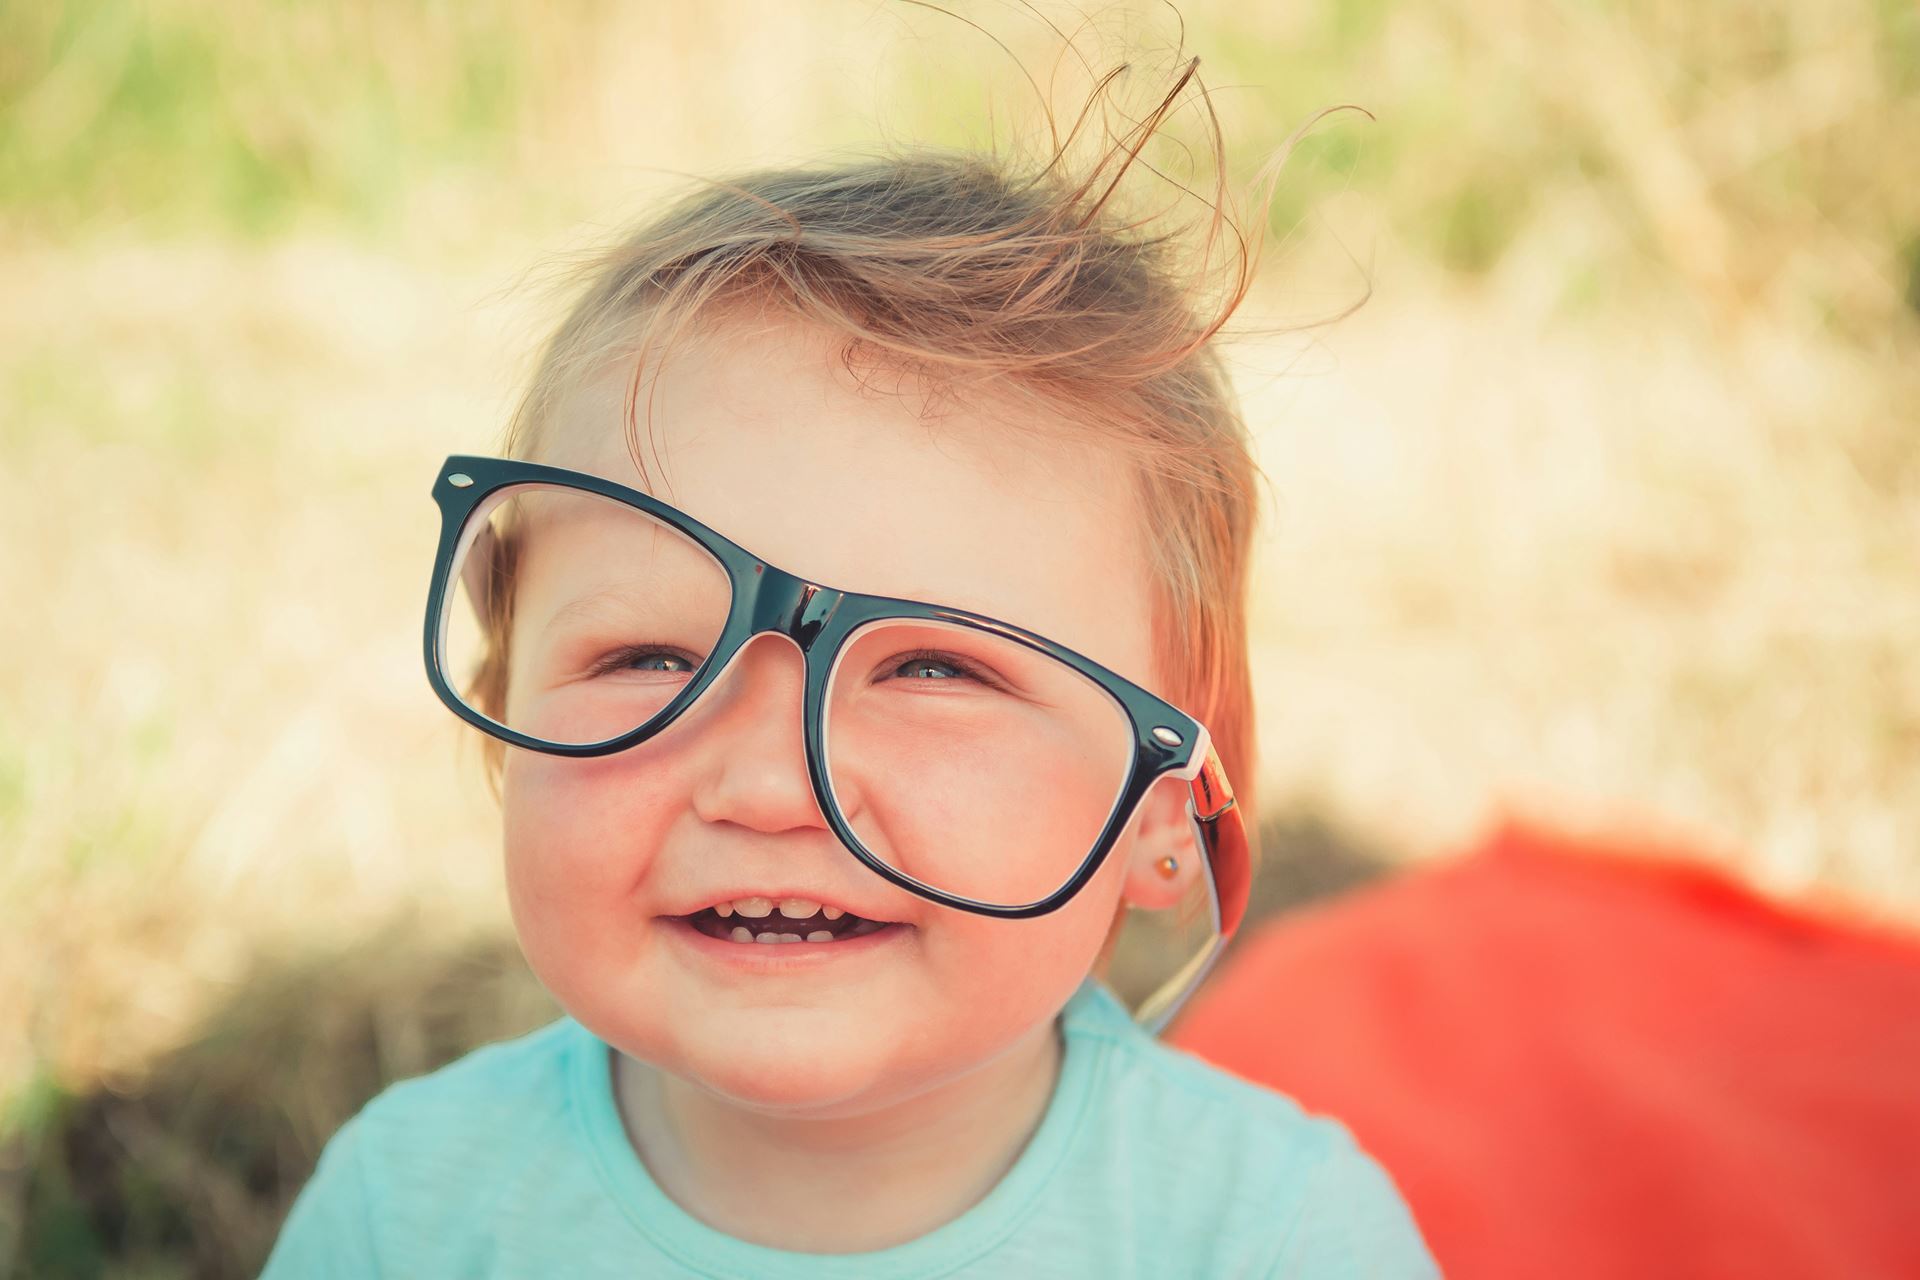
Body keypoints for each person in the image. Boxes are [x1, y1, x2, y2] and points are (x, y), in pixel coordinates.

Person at [260, 45, 1435, 1278]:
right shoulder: (408, 1212)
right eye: (650, 656)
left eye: (935, 670)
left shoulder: (1271, 1236)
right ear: (505, 712)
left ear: (1163, 806)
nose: (764, 788)